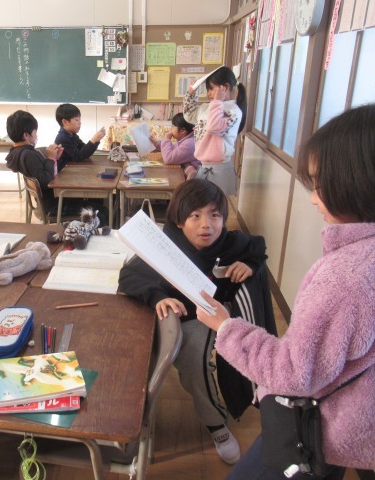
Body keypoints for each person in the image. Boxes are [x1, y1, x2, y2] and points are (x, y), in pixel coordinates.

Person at [196, 104, 375, 479]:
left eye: (319, 184)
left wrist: (226, 327)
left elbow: (292, 372)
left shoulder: (351, 276)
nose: (312, 197)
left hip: (318, 430)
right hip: (364, 422)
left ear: (359, 184)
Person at [118, 178, 275, 465]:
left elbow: (258, 246)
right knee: (140, 355)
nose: (207, 225)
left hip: (212, 315)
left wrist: (250, 265)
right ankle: (129, 418)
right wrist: (158, 297)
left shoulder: (229, 242)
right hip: (174, 315)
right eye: (195, 216)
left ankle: (215, 422)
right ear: (180, 221)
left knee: (194, 360)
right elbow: (128, 276)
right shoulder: (165, 245)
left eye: (215, 215)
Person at [183, 66, 247, 195]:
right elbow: (189, 115)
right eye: (208, 89)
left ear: (225, 87)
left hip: (220, 171)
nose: (208, 93)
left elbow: (214, 127)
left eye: (211, 88)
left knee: (216, 206)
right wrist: (191, 94)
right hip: (203, 167)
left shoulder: (234, 111)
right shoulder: (207, 107)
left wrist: (217, 101)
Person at [5, 110, 63, 217]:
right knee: (95, 205)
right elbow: (46, 181)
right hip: (53, 205)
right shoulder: (28, 155)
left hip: (50, 201)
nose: (36, 135)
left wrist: (54, 159)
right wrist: (50, 158)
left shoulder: (18, 152)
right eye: (35, 132)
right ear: (26, 135)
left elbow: (42, 173)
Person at [54, 103, 106, 170]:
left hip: (72, 169)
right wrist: (93, 141)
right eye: (76, 120)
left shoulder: (73, 135)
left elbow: (85, 152)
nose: (80, 123)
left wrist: (96, 140)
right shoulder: (62, 138)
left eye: (80, 120)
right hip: (63, 172)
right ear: (65, 122)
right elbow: (78, 157)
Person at [150, 112, 200, 179]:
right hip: (182, 173)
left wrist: (167, 139)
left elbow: (168, 158)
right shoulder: (185, 139)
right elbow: (171, 148)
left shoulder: (189, 144)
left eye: (173, 126)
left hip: (193, 179)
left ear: (182, 131)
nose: (171, 129)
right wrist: (156, 143)